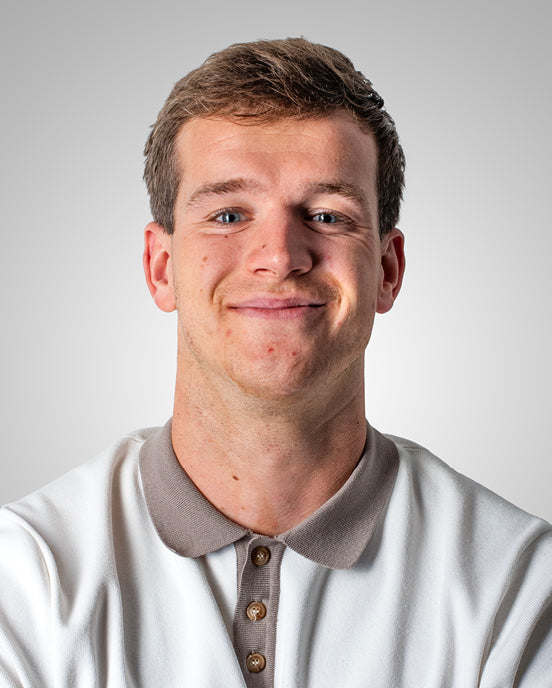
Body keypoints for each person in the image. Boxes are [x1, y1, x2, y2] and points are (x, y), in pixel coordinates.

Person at [0, 38, 550, 688]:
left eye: (327, 215)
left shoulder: (518, 586)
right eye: (229, 214)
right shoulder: (24, 578)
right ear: (161, 267)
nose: (281, 255)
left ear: (387, 270)